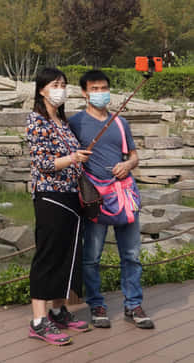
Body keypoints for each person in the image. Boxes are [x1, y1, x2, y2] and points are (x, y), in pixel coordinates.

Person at [69, 70, 153, 330]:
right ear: (84, 93)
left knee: (131, 254)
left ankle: (133, 304)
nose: (100, 93)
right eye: (94, 88)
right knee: (92, 256)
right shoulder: (76, 123)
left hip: (123, 194)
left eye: (104, 88)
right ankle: (97, 304)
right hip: (94, 198)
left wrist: (127, 165)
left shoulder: (120, 122)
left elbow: (134, 156)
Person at [25, 67, 92, 346]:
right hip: (50, 197)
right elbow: (43, 163)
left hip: (71, 196)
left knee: (67, 256)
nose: (60, 89)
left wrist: (78, 157)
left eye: (63, 84)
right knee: (48, 256)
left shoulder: (63, 122)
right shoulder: (36, 120)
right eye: (55, 84)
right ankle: (39, 320)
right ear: (42, 89)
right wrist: (74, 158)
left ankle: (58, 311)